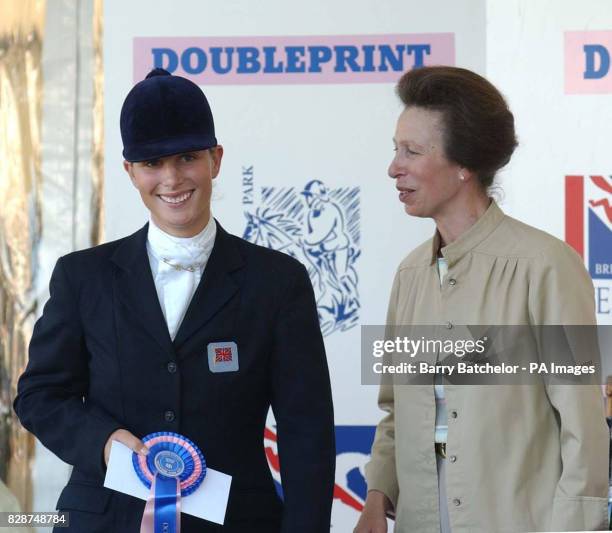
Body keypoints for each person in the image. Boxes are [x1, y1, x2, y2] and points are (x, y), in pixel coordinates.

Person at [14, 68, 335, 533]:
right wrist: (104, 443)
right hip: (103, 521)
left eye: (187, 157)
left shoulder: (278, 282)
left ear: (216, 160)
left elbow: (307, 430)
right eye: (151, 163)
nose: (171, 179)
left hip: (237, 521)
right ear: (129, 171)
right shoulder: (83, 277)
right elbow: (40, 395)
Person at [354, 66, 609, 532]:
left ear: (464, 163)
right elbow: (395, 412)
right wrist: (376, 498)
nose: (394, 167)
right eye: (396, 150)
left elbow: (584, 426)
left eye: (411, 151)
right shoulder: (409, 275)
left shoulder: (547, 266)